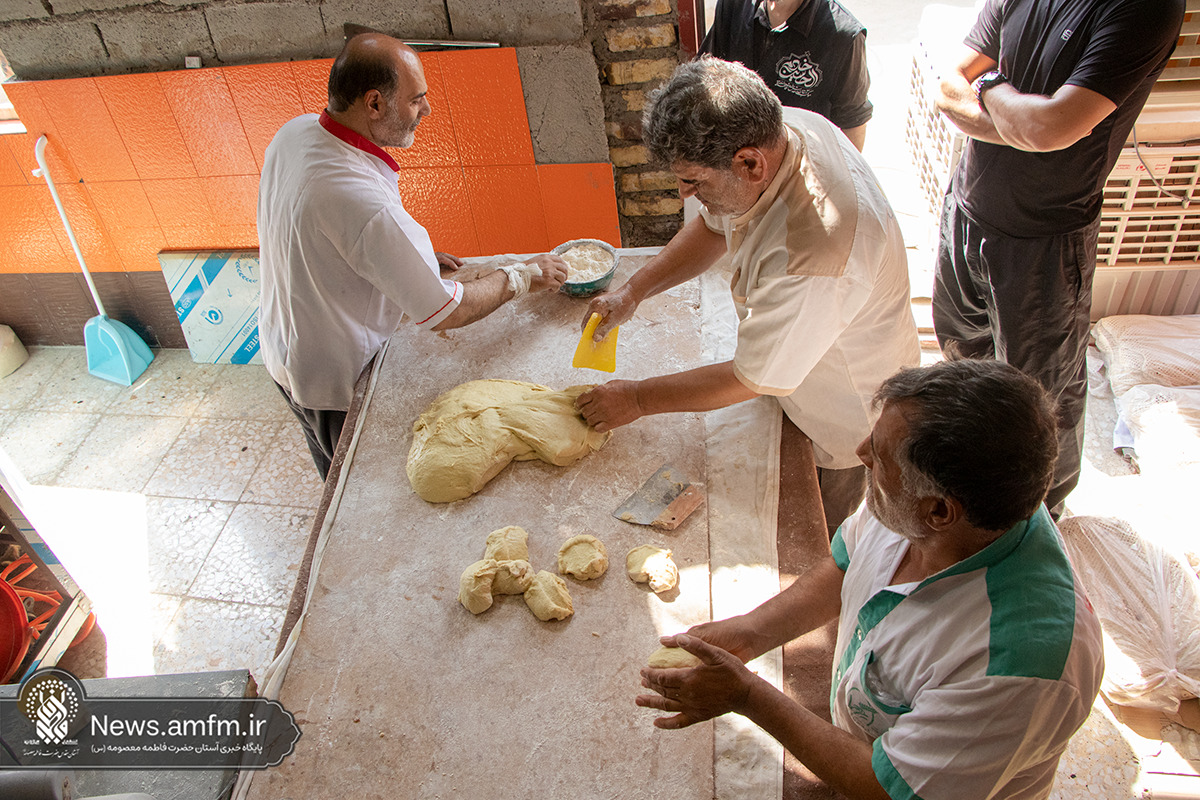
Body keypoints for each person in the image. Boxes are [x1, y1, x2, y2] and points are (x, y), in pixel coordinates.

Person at [637, 359, 1104, 800]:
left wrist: (747, 695)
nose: (861, 453)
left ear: (940, 512)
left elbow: (886, 786)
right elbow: (846, 564)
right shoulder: (923, 502)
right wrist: (751, 632)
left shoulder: (1017, 666)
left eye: (879, 456)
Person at [575, 57, 918, 536]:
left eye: (694, 181)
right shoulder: (781, 129)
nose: (683, 194)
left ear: (751, 163)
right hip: (792, 367)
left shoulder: (816, 254)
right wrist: (634, 290)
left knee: (818, 535)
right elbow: (714, 227)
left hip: (842, 411)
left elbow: (751, 377)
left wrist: (636, 398)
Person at [257, 34, 567, 480]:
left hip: (284, 349)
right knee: (353, 490)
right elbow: (448, 312)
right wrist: (522, 275)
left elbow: (321, 237)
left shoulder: (297, 132)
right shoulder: (360, 200)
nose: (427, 110)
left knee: (332, 472)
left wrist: (399, 261)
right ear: (374, 103)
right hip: (333, 381)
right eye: (416, 99)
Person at [932, 0, 1184, 515]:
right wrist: (1021, 124)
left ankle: (1039, 519)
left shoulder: (1147, 9)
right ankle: (968, 478)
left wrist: (989, 86)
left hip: (1043, 241)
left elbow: (1050, 128)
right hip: (966, 207)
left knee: (1041, 400)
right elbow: (949, 85)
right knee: (962, 356)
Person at [700, 0, 872, 150]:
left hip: (801, 166)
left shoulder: (844, 36)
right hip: (733, 160)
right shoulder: (733, 6)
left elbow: (853, 122)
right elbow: (704, 78)